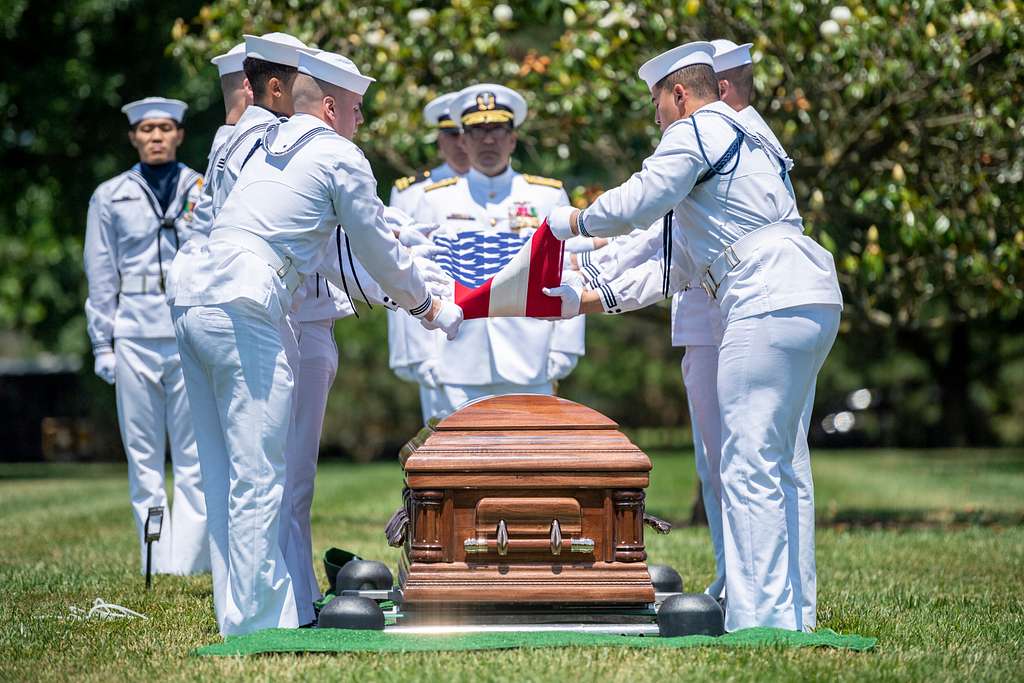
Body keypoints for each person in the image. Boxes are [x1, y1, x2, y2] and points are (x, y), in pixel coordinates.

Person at [543, 41, 842, 632]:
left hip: (763, 297)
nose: (656, 118)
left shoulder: (696, 129)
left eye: (657, 103)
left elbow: (643, 201)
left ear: (679, 94)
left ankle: (760, 621)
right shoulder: (753, 137)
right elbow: (682, 258)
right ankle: (794, 612)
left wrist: (573, 221)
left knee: (748, 462)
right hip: (807, 292)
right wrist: (593, 295)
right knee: (782, 464)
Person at [168, 49, 462, 636]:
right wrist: (426, 303)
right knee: (260, 474)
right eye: (356, 110)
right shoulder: (336, 153)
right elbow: (374, 245)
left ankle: (241, 615)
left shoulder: (246, 142)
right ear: (330, 107)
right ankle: (260, 626)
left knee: (226, 473)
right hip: (248, 303)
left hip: (193, 298)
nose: (360, 124)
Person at [84, 97, 208, 576]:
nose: (156, 137)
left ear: (179, 134)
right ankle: (156, 560)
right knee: (143, 456)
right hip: (133, 330)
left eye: (165, 128)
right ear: (134, 137)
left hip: (184, 327)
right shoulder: (110, 195)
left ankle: (192, 562)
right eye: (146, 130)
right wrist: (102, 342)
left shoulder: (203, 188)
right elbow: (101, 274)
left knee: (194, 455)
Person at [407, 83, 586, 417]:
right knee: (461, 463)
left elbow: (570, 271)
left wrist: (565, 347)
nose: (488, 140)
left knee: (532, 458)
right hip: (456, 355)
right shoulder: (434, 199)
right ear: (462, 139)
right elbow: (415, 276)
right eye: (477, 131)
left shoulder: (546, 196)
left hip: (531, 355)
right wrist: (422, 354)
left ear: (513, 139)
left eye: (497, 130)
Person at [387, 91, 470, 423]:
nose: (461, 144)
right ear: (439, 139)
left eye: (467, 135)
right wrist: (417, 354)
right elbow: (396, 270)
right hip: (435, 331)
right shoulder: (412, 191)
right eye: (452, 135)